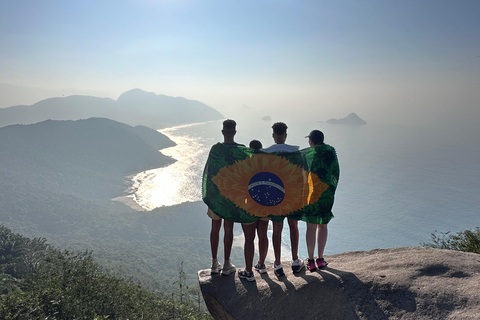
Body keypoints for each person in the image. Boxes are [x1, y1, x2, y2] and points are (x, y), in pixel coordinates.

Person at [262, 122, 304, 277]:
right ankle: (294, 261)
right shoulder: (295, 152)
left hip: (274, 196)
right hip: (292, 196)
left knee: (277, 229)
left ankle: (278, 264)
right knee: (293, 226)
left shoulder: (266, 153)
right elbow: (301, 175)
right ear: (286, 135)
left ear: (273, 135)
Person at [208, 119, 242, 276]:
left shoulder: (215, 149)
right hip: (231, 197)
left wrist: (209, 194)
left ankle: (214, 263)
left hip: (216, 197)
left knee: (215, 229)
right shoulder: (241, 150)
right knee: (229, 229)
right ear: (235, 132)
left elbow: (209, 173)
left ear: (223, 132)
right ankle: (227, 263)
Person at [238, 140, 268, 281]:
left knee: (249, 240)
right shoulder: (266, 165)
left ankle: (249, 272)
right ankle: (261, 265)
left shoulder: (245, 166)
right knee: (263, 236)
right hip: (264, 206)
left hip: (249, 207)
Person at [304, 129, 331, 271]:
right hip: (326, 194)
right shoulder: (330, 152)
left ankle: (310, 260)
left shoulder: (310, 155)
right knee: (323, 225)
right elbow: (335, 172)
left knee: (311, 227)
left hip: (312, 195)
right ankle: (320, 259)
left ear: (311, 141)